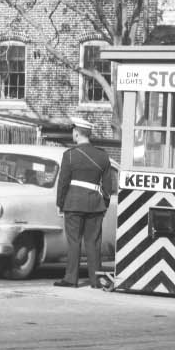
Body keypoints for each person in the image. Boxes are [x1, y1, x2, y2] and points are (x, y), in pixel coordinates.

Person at [54, 116, 116, 288]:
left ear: (76, 134)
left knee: (74, 241)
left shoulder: (70, 156)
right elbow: (108, 185)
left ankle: (71, 279)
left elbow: (63, 182)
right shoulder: (103, 156)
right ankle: (96, 280)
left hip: (73, 203)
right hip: (95, 204)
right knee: (93, 242)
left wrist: (60, 203)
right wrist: (104, 204)